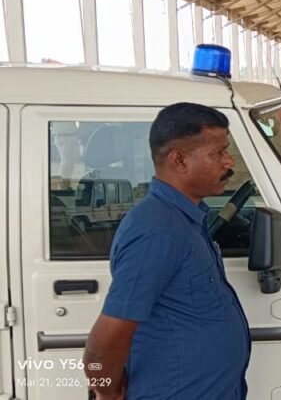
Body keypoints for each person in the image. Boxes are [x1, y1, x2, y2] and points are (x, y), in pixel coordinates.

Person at [84, 103, 250, 399]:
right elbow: (102, 346)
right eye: (218, 153)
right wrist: (107, 393)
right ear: (179, 160)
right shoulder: (157, 231)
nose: (229, 162)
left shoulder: (185, 219)